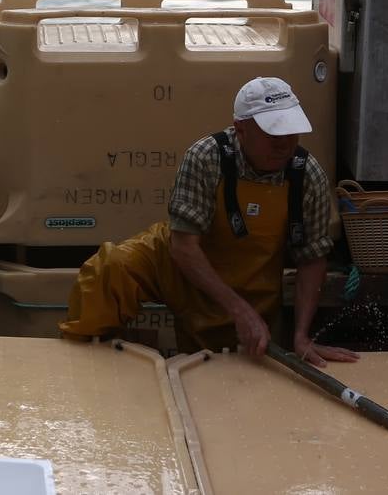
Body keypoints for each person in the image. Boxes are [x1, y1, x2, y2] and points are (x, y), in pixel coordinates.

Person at [60, 77, 359, 365]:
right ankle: (87, 364)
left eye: (291, 133)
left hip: (252, 280)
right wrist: (238, 309)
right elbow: (183, 247)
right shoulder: (205, 157)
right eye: (273, 133)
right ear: (241, 129)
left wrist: (301, 335)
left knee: (231, 367)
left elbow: (312, 258)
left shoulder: (309, 175)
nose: (284, 144)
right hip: (178, 263)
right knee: (111, 269)